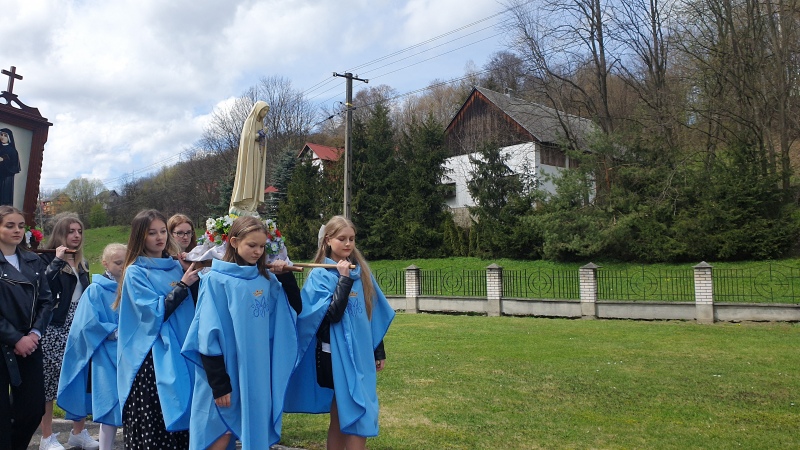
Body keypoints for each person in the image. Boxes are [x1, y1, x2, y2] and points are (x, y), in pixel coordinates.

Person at [182, 215, 303, 450]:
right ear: (234, 242)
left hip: (255, 374)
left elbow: (293, 309)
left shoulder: (266, 280)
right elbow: (206, 334)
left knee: (254, 432)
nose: (258, 252)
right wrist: (219, 384)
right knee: (218, 431)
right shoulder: (215, 280)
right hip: (224, 372)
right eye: (252, 245)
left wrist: (285, 276)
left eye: (262, 246)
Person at [284, 215, 395, 450]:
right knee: (354, 414)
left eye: (351, 239)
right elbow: (331, 315)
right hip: (335, 357)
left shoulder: (361, 272)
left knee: (349, 412)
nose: (348, 244)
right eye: (342, 238)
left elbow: (370, 314)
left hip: (362, 355)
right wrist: (343, 280)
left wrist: (378, 350)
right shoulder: (320, 275)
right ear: (328, 240)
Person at [114, 209, 200, 449]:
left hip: (182, 349)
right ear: (140, 236)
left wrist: (187, 274)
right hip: (152, 358)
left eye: (163, 231)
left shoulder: (176, 266)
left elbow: (196, 304)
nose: (159, 237)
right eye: (152, 233)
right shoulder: (135, 271)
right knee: (156, 419)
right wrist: (182, 285)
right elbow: (152, 313)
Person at [57, 243, 126, 450]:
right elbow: (86, 324)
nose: (123, 266)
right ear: (105, 263)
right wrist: (113, 331)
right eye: (118, 262)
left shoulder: (131, 285)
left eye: (126, 262)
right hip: (104, 354)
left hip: (128, 352)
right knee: (109, 407)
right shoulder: (95, 290)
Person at [38, 214, 99, 450]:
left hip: (79, 323)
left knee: (78, 377)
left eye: (79, 231)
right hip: (55, 326)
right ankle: (46, 437)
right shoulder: (46, 259)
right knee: (49, 383)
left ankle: (78, 432)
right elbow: (43, 287)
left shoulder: (82, 263)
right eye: (71, 231)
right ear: (60, 234)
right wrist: (57, 261)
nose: (76, 236)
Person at [0, 205, 53, 450]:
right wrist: (15, 338)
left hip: (30, 345)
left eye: (21, 226)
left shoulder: (33, 261)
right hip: (4, 344)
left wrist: (34, 334)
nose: (17, 230)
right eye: (9, 225)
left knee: (32, 408)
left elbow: (46, 301)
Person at [229, 101, 269, 215]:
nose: (265, 113)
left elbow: (261, 139)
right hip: (249, 155)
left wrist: (263, 135)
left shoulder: (261, 123)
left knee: (256, 178)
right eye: (264, 110)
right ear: (258, 109)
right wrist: (261, 133)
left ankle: (252, 204)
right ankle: (243, 203)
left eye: (267, 111)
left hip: (258, 154)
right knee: (248, 177)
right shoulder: (249, 121)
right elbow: (247, 138)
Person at [168, 213, 199, 302]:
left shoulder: (198, 256)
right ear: (170, 234)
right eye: (180, 233)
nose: (185, 237)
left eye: (188, 232)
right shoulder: (167, 260)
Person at [0, 128, 20, 206]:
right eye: (1, 135)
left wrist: (3, 160)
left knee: (4, 199)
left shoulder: (13, 151)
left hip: (6, 178)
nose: (2, 137)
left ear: (9, 138)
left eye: (5, 135)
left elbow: (14, 167)